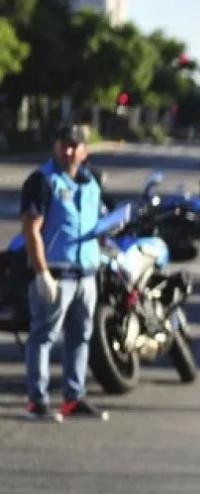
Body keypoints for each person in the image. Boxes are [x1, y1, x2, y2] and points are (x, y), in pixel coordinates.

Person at [19, 125, 109, 422]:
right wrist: (42, 272)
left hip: (86, 273)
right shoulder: (43, 180)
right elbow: (32, 230)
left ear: (85, 150)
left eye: (74, 145)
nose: (68, 151)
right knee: (44, 336)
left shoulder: (92, 181)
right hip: (56, 274)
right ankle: (37, 401)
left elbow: (98, 219)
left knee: (81, 336)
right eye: (63, 144)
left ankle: (74, 396)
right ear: (55, 146)